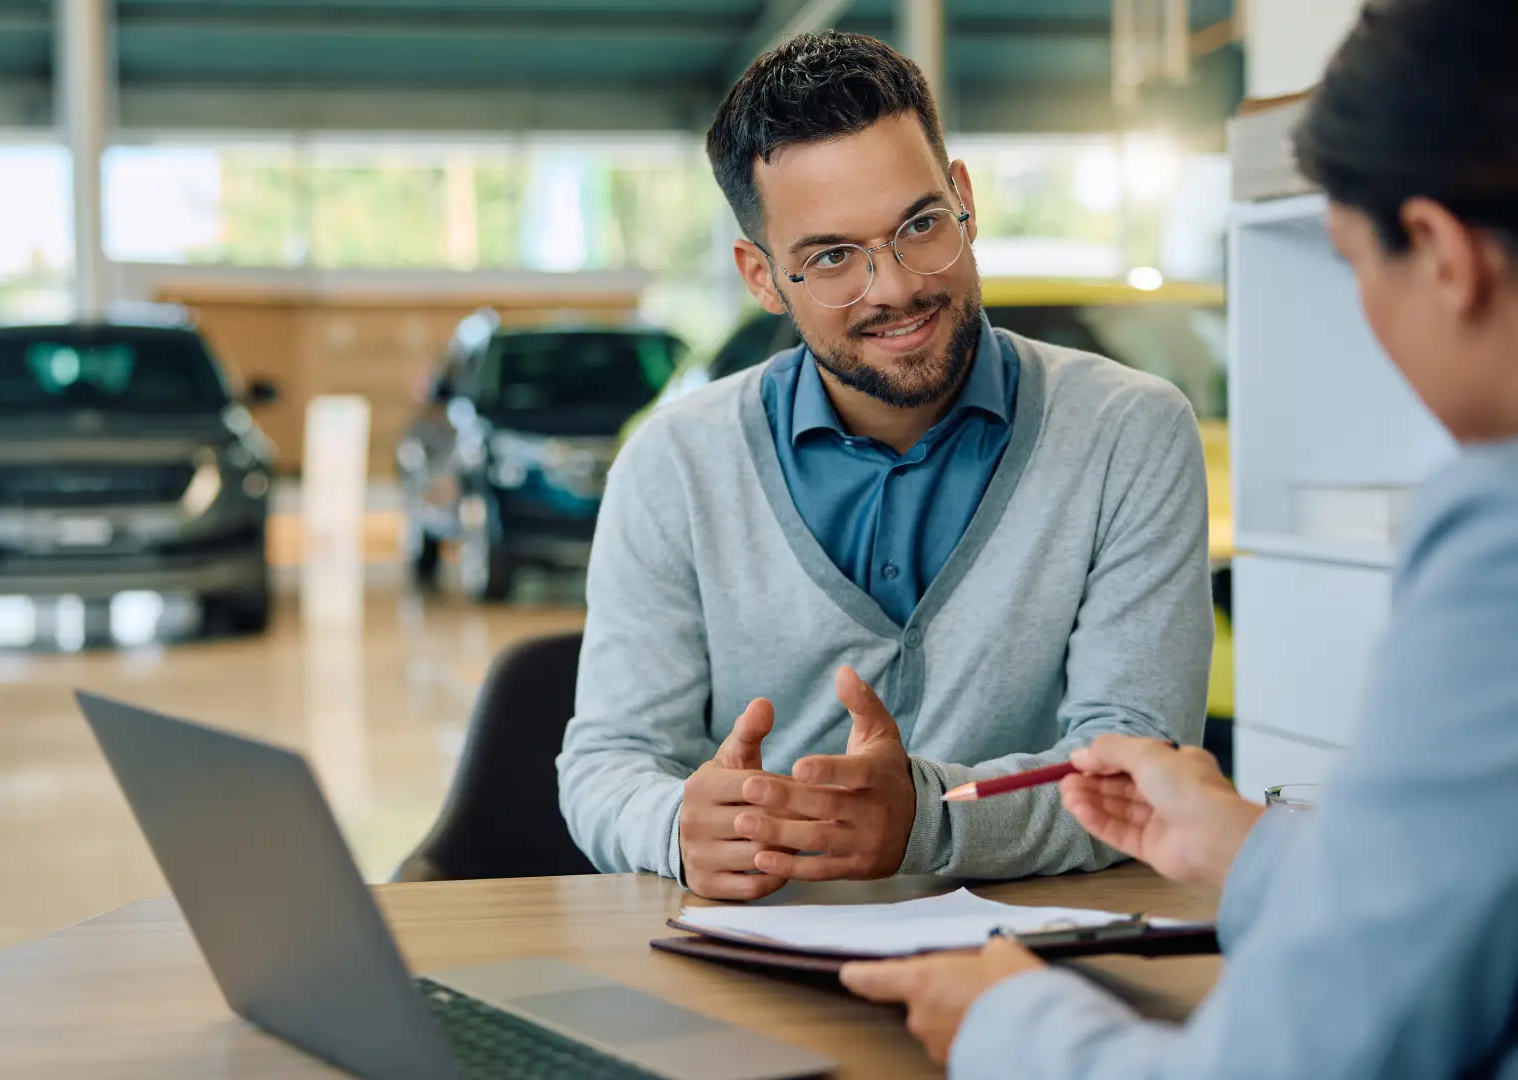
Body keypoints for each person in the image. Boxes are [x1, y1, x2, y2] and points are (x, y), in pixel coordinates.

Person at [838, 1, 1518, 1075]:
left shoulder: (1499, 551)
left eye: (1351, 268)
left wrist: (1010, 1022)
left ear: (1439, 253)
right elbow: (1464, 893)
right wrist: (1247, 848)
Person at [557, 31, 1214, 900]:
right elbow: (608, 763)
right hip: (759, 963)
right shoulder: (674, 465)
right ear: (762, 277)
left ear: (964, 199)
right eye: (831, 257)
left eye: (919, 226)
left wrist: (926, 821)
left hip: (1037, 965)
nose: (896, 287)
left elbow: (1140, 767)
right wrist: (679, 827)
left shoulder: (1131, 432)